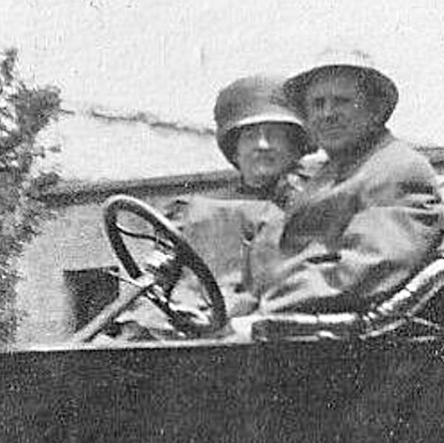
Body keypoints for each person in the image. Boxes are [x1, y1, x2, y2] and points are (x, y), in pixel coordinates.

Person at [240, 50, 444, 322]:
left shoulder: (397, 168)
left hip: (328, 332)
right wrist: (240, 306)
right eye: (317, 104)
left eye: (342, 102)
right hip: (287, 319)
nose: (327, 114)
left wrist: (265, 310)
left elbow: (366, 267)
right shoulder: (324, 174)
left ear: (376, 111)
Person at [115, 74, 311, 333]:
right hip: (183, 333)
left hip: (263, 335)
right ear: (235, 150)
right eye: (250, 135)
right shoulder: (192, 210)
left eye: (275, 135)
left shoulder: (314, 206)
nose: (262, 145)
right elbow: (155, 281)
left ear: (295, 147)